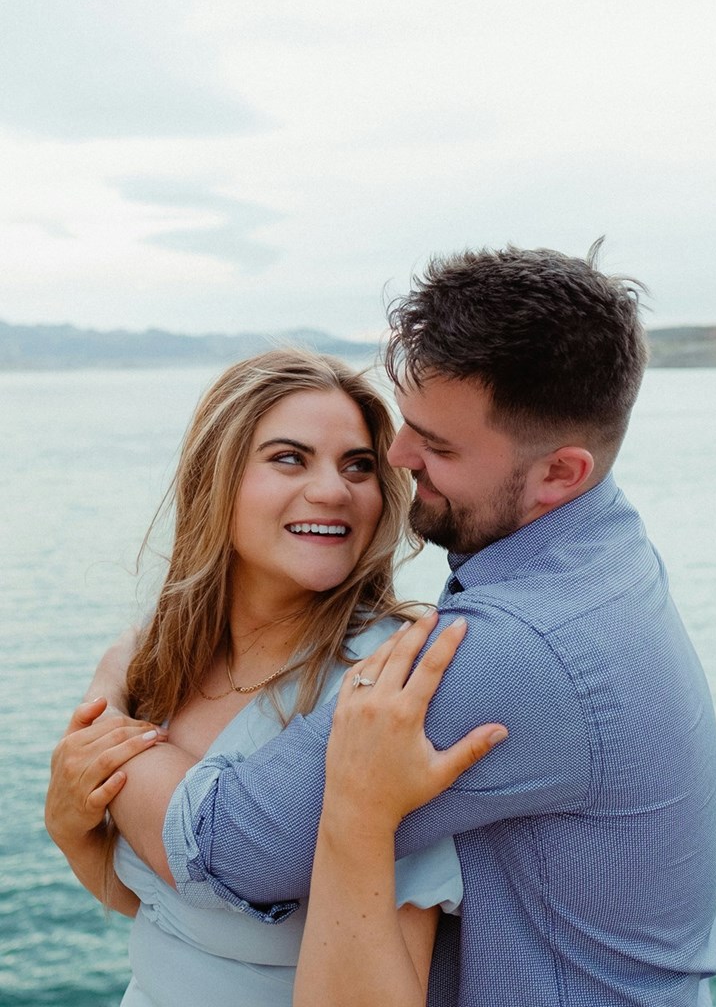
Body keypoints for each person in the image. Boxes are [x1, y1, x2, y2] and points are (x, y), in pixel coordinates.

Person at [74, 243, 716, 1006]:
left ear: (560, 473)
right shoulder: (604, 550)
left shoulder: (506, 649)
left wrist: (103, 715)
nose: (398, 455)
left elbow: (232, 846)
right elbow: (168, 918)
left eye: (436, 446)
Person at [46, 348, 476, 1006]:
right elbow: (161, 912)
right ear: (214, 480)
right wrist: (70, 832)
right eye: (290, 458)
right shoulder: (164, 657)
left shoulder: (388, 685)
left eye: (358, 465)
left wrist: (104, 708)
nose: (333, 490)